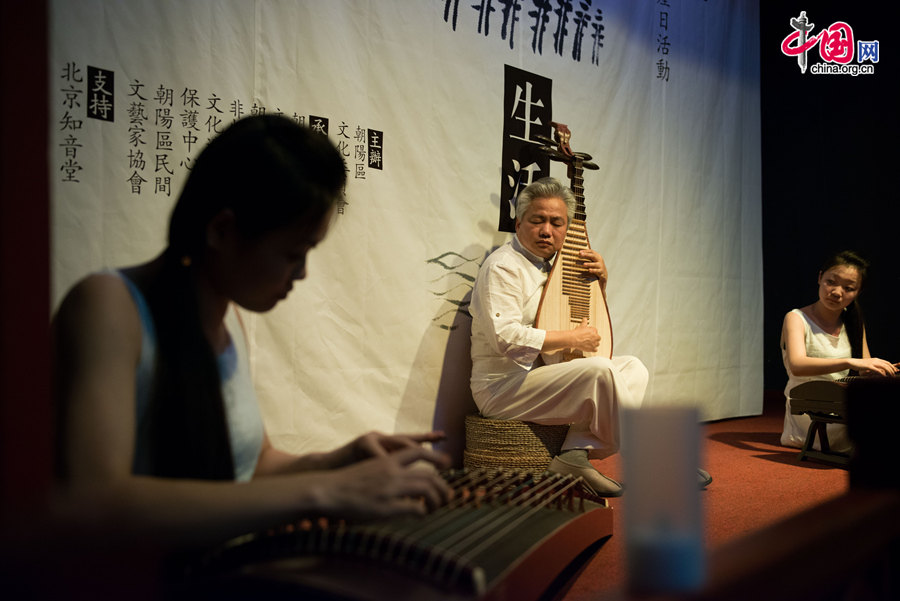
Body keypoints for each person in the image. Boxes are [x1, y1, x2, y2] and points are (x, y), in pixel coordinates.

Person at [51, 115, 453, 556]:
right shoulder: (110, 306)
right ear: (222, 230)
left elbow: (251, 467)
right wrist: (325, 490)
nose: (300, 273)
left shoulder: (226, 321)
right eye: (292, 254)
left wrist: (341, 460)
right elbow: (91, 501)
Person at [469, 177, 669, 496]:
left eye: (556, 222)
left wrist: (599, 283)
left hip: (540, 376)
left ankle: (574, 454)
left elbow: (585, 319)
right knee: (600, 370)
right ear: (519, 223)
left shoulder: (554, 267)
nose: (547, 230)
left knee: (633, 367)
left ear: (566, 228)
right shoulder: (503, 267)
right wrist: (571, 340)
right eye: (537, 220)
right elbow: (504, 338)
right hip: (502, 387)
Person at [781, 250, 897, 451]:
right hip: (812, 407)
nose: (836, 292)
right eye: (831, 282)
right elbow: (797, 365)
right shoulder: (796, 318)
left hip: (841, 400)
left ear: (858, 292)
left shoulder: (853, 322)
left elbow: (864, 370)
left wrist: (883, 370)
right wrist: (850, 361)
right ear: (819, 278)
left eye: (848, 288)